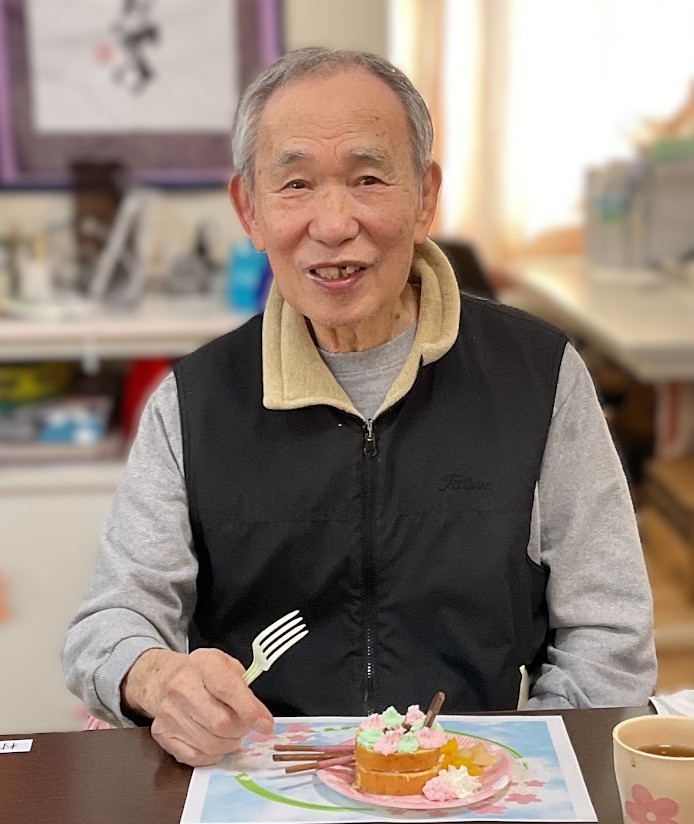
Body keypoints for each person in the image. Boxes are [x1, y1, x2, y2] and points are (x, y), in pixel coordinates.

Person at [63, 47, 657, 767]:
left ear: (425, 198)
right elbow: (109, 623)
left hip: (474, 779)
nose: (334, 223)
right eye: (296, 184)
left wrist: (522, 771)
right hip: (265, 777)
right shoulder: (194, 402)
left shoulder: (540, 376)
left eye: (368, 178)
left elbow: (609, 633)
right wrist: (159, 679)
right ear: (250, 210)